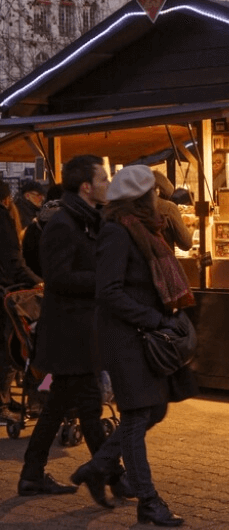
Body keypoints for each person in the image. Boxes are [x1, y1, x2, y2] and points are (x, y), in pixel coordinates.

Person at [70, 165, 196, 526]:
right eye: (153, 195)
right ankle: (148, 500)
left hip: (138, 334)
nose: (157, 200)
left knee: (153, 410)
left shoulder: (142, 230)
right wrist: (154, 319)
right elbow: (108, 292)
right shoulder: (118, 233)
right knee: (139, 414)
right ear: (142, 199)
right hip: (125, 337)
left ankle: (98, 467)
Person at [19, 155, 131, 498]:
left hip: (79, 329)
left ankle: (32, 476)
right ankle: (111, 476)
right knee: (90, 405)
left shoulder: (86, 221)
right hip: (71, 332)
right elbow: (59, 276)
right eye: (102, 179)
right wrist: (104, 278)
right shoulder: (64, 224)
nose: (107, 185)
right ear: (86, 186)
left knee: (62, 406)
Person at [0, 182, 42, 422]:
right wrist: (37, 283)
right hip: (6, 292)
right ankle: (3, 403)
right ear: (7, 200)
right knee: (8, 347)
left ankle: (5, 398)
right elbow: (13, 261)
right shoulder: (4, 218)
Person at [152, 170, 192, 252]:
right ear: (158, 190)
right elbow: (186, 244)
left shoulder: (128, 208)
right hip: (162, 261)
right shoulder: (169, 208)